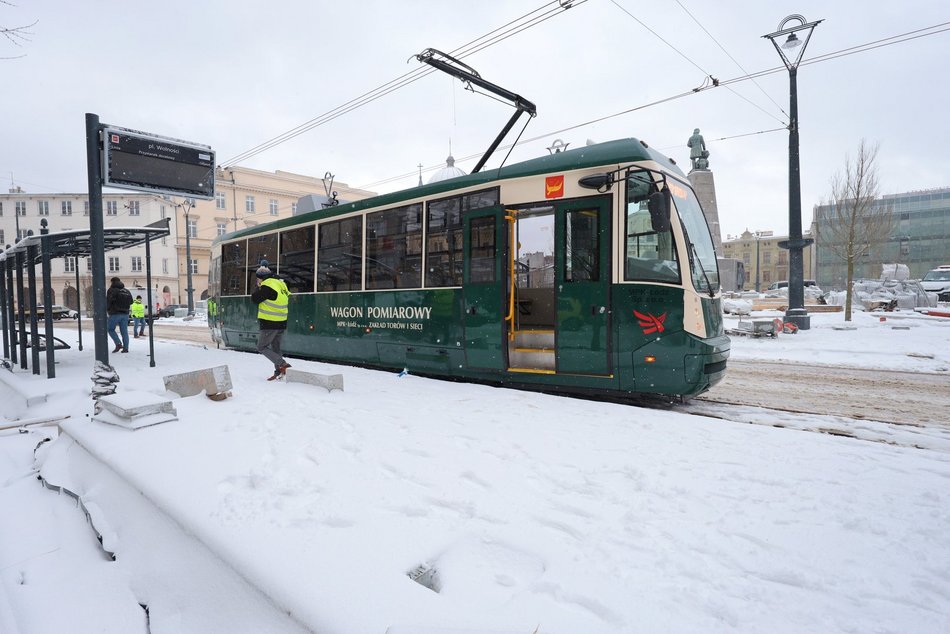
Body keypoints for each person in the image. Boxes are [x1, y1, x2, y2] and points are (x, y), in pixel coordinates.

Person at [250, 262, 292, 380]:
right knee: (276, 347)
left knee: (261, 347)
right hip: (281, 321)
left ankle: (282, 364)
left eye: (258, 279)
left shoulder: (267, 286)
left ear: (261, 278)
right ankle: (279, 371)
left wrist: (258, 286)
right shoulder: (280, 284)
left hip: (270, 322)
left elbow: (255, 299)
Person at [106, 277, 133, 353]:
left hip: (115, 313)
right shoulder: (126, 291)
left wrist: (108, 309)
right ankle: (126, 348)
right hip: (125, 314)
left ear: (112, 282)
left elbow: (108, 301)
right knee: (124, 332)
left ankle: (118, 343)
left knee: (110, 329)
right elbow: (131, 302)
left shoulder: (111, 290)